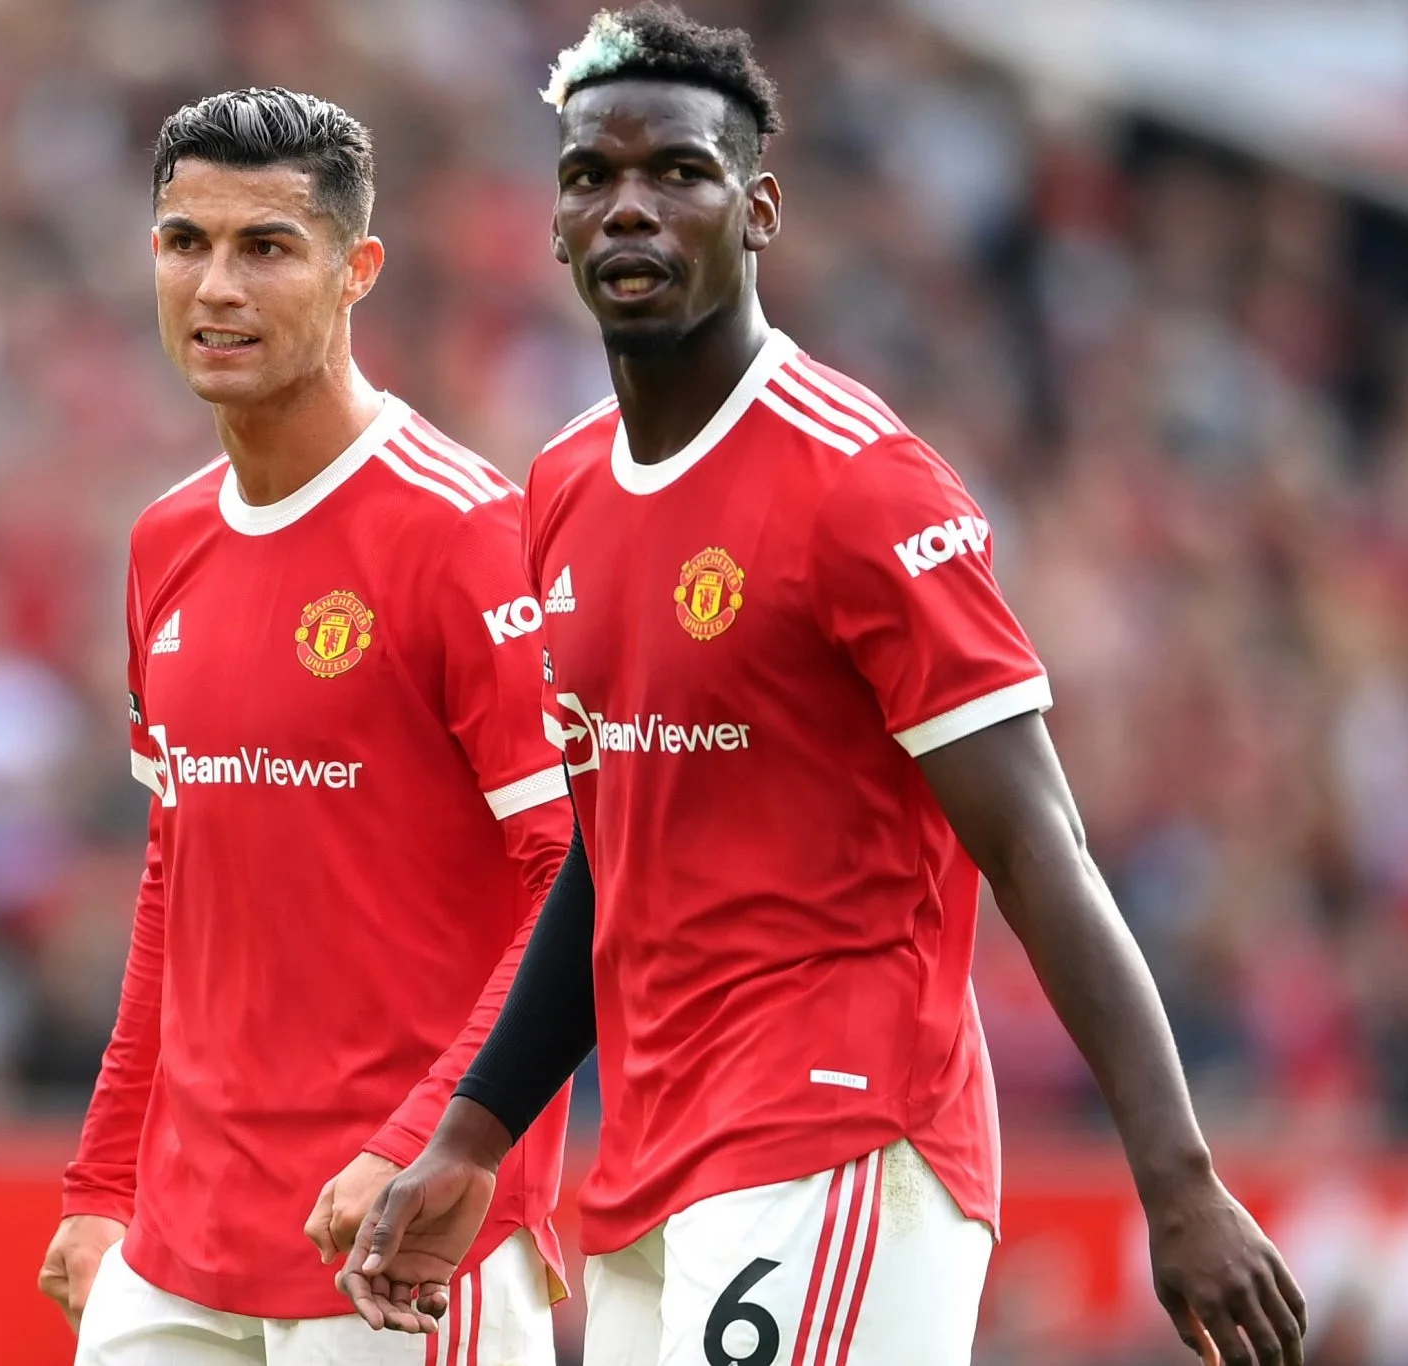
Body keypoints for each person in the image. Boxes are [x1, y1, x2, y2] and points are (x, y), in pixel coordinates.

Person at [338, 10, 1309, 1366]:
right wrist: (473, 1132)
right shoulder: (561, 487)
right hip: (653, 1156)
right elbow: (615, 849)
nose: (630, 206)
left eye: (679, 172)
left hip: (842, 1129)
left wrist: (1179, 1175)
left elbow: (1036, 841)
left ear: (760, 208)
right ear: (555, 224)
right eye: (591, 177)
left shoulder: (858, 483)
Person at [37, 87, 573, 1366]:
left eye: (266, 247)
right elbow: (175, 877)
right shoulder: (165, 542)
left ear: (355, 271)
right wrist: (102, 1179)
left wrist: (430, 1136)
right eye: (186, 242)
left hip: (395, 1239)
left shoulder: (465, 536)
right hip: (177, 1246)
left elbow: (577, 876)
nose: (216, 285)